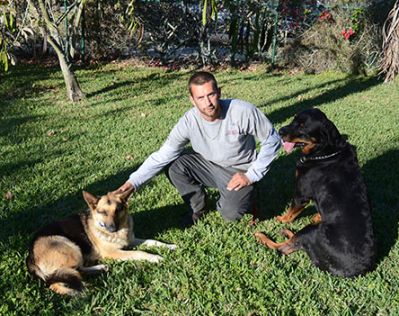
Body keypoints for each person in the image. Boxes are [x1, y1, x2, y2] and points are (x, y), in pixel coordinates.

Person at [114, 71, 281, 227]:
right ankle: (197, 208)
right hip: (207, 165)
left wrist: (251, 175)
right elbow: (163, 155)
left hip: (239, 170)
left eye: (211, 95)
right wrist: (132, 183)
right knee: (174, 165)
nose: (207, 103)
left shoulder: (241, 111)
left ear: (219, 92)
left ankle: (249, 192)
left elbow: (272, 140)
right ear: (192, 100)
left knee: (229, 214)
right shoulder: (188, 121)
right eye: (200, 97)